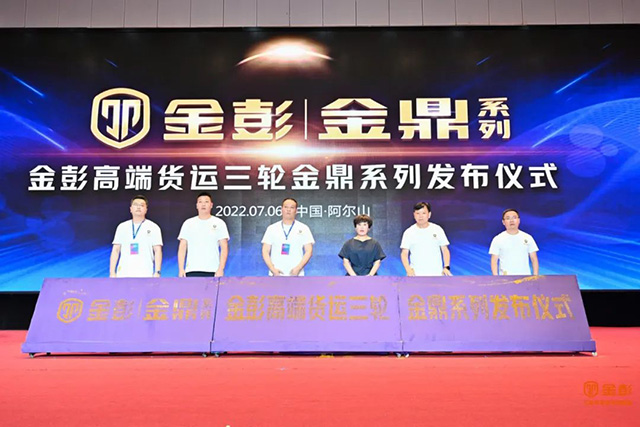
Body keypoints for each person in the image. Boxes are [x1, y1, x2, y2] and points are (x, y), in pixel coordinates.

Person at [177, 192, 229, 277]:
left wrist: (221, 269)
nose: (203, 204)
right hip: (192, 270)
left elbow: (224, 247)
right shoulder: (188, 223)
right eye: (200, 202)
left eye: (206, 202)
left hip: (213, 271)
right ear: (197, 205)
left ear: (211, 205)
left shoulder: (219, 223)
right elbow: (182, 247)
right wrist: (181, 269)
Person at [109, 195, 163, 278]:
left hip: (145, 274)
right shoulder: (122, 227)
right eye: (135, 205)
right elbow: (115, 250)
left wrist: (157, 272)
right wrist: (112, 272)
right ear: (130, 209)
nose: (138, 207)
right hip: (123, 273)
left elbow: (157, 251)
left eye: (142, 205)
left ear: (146, 209)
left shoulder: (154, 227)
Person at [261, 198, 314, 276]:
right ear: (281, 209)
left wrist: (298, 268)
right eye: (286, 207)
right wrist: (272, 269)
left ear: (296, 211)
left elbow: (309, 251)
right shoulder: (272, 228)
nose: (288, 210)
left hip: (296, 274)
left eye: (292, 207)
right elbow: (265, 251)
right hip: (276, 274)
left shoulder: (303, 228)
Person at [400, 202, 452, 276]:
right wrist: (408, 269)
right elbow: (404, 254)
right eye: (418, 213)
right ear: (414, 215)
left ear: (429, 214)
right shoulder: (408, 232)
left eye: (423, 213)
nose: (420, 216)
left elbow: (445, 250)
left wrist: (446, 267)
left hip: (436, 274)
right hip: (416, 275)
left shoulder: (437, 229)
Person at [489, 208, 539, 276]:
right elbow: (494, 261)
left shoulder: (528, 238)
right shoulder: (498, 239)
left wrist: (535, 276)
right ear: (503, 222)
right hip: (505, 278)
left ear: (519, 220)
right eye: (508, 218)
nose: (511, 220)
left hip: (525, 277)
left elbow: (534, 258)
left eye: (514, 218)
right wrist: (496, 277)